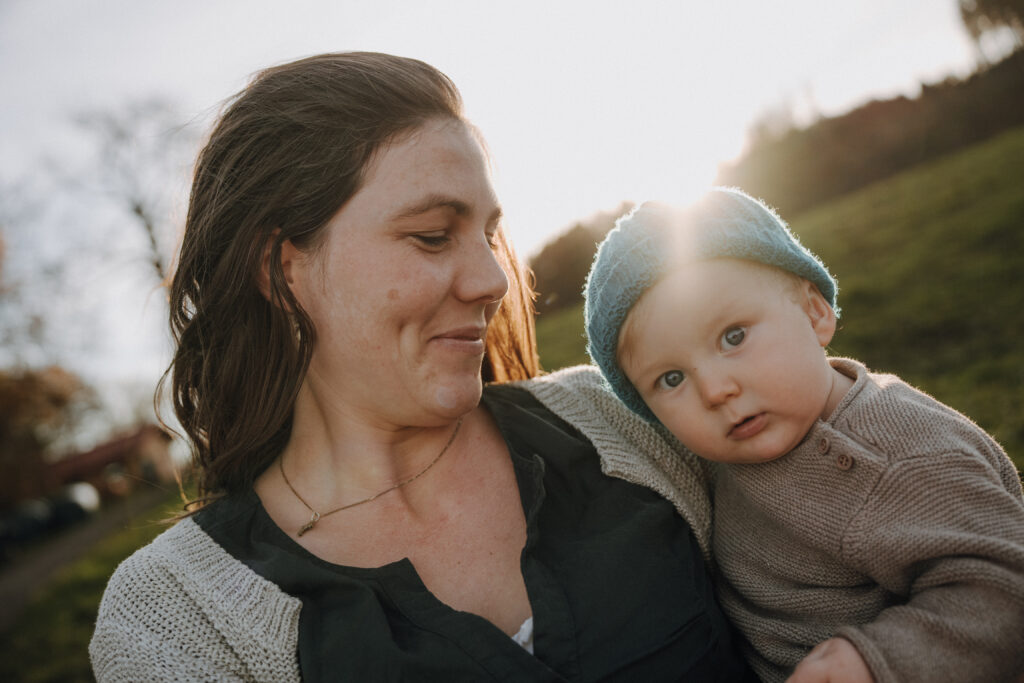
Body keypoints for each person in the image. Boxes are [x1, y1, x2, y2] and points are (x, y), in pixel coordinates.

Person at [88, 53, 755, 682]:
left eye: (489, 235)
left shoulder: (621, 419)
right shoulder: (177, 616)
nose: (494, 279)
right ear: (280, 268)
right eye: (433, 235)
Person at [582, 188, 1024, 683]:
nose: (714, 390)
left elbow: (1006, 587)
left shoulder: (894, 455)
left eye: (734, 336)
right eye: (671, 379)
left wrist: (877, 662)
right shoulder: (727, 447)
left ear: (815, 313)